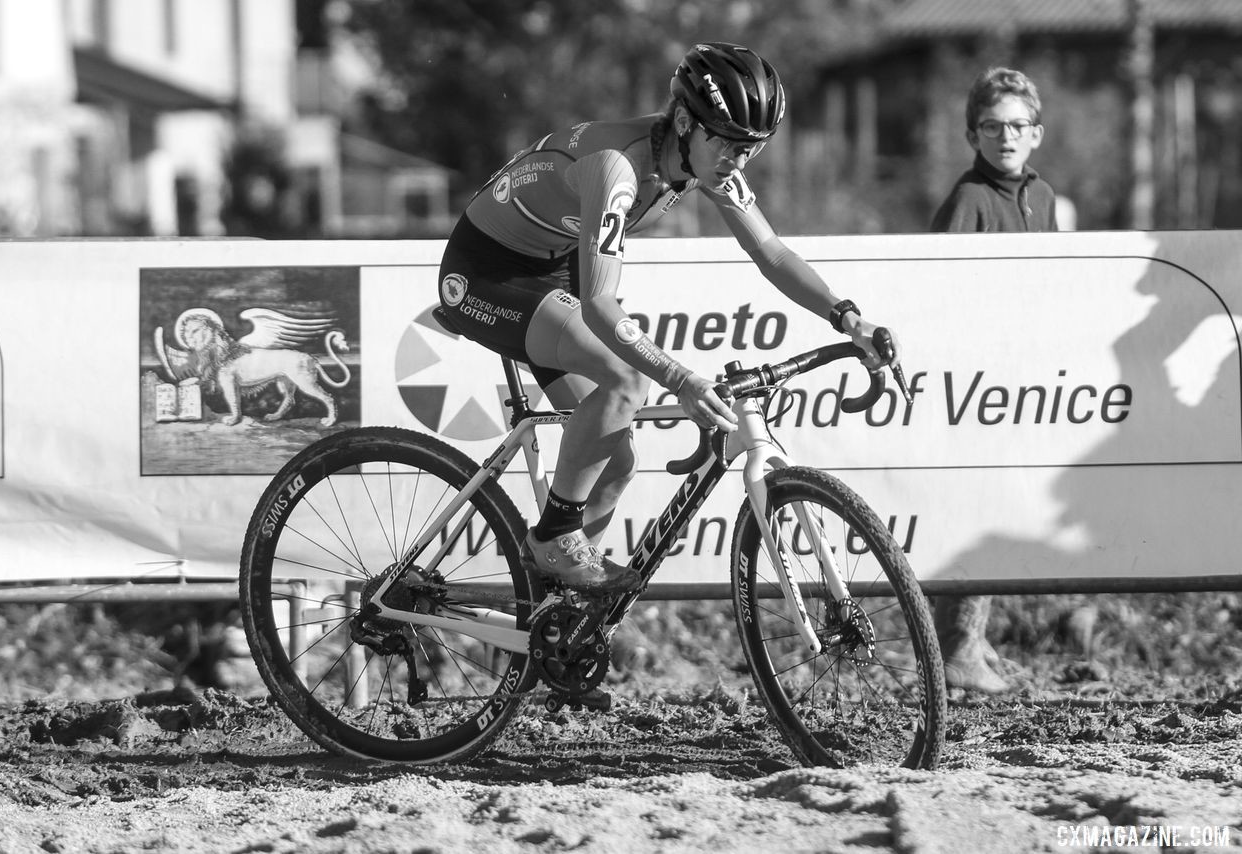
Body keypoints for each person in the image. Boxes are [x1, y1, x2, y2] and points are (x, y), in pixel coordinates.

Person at [438, 42, 900, 594]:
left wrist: (847, 317)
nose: (738, 161)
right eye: (729, 145)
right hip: (488, 273)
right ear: (684, 121)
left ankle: (561, 627)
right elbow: (600, 305)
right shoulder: (618, 168)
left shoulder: (704, 159)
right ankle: (554, 539)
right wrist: (679, 378)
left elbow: (771, 252)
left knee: (614, 461)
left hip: (553, 265)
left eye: (752, 149)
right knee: (624, 380)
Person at [931, 67, 1058, 692]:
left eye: (1016, 126)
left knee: (998, 508)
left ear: (1036, 133)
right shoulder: (968, 201)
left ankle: (973, 644)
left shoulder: (1044, 196)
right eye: (991, 126)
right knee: (969, 509)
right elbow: (942, 298)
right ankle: (954, 649)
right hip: (970, 385)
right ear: (971, 134)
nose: (1004, 137)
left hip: (1020, 379)